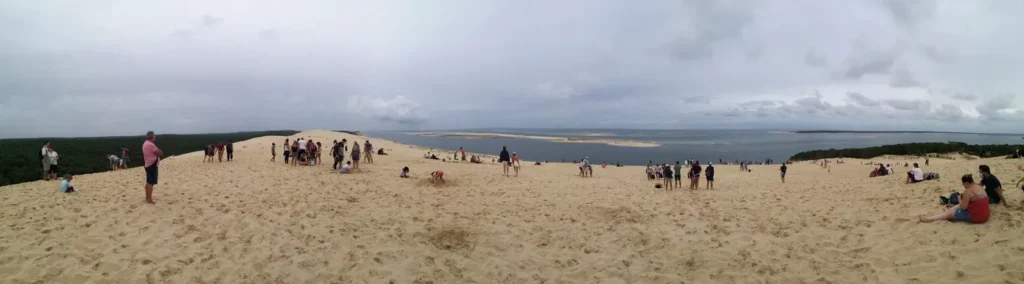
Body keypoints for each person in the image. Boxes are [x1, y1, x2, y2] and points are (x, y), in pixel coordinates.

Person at [920, 174, 990, 224]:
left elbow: (963, 207)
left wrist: (959, 198)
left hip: (977, 217)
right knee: (956, 207)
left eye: (963, 184)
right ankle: (949, 210)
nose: (964, 186)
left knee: (949, 213)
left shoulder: (968, 191)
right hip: (986, 215)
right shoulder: (979, 187)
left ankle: (930, 219)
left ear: (966, 183)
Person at [142, 131, 163, 204]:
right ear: (152, 137)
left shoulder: (145, 143)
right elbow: (160, 153)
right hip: (152, 166)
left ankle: (147, 198)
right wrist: (159, 150)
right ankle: (149, 199)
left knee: (148, 182)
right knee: (151, 183)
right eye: (154, 135)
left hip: (148, 165)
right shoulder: (151, 145)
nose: (155, 136)